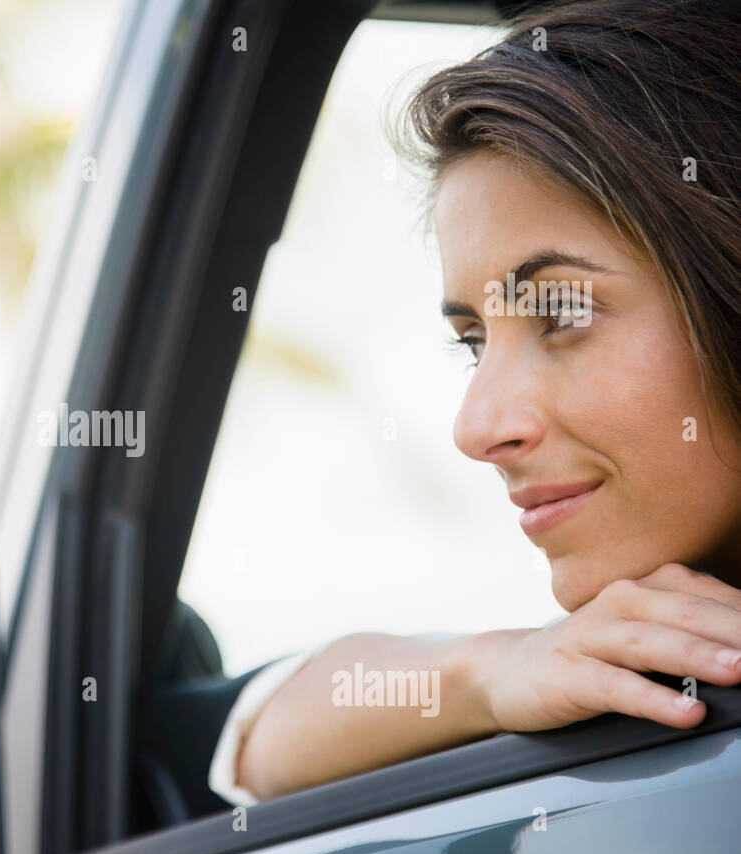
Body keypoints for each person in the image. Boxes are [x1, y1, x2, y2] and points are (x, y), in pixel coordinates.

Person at [210, 0, 741, 805]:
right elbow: (257, 742)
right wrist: (493, 670)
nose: (477, 427)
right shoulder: (616, 667)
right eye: (472, 340)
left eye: (562, 313)